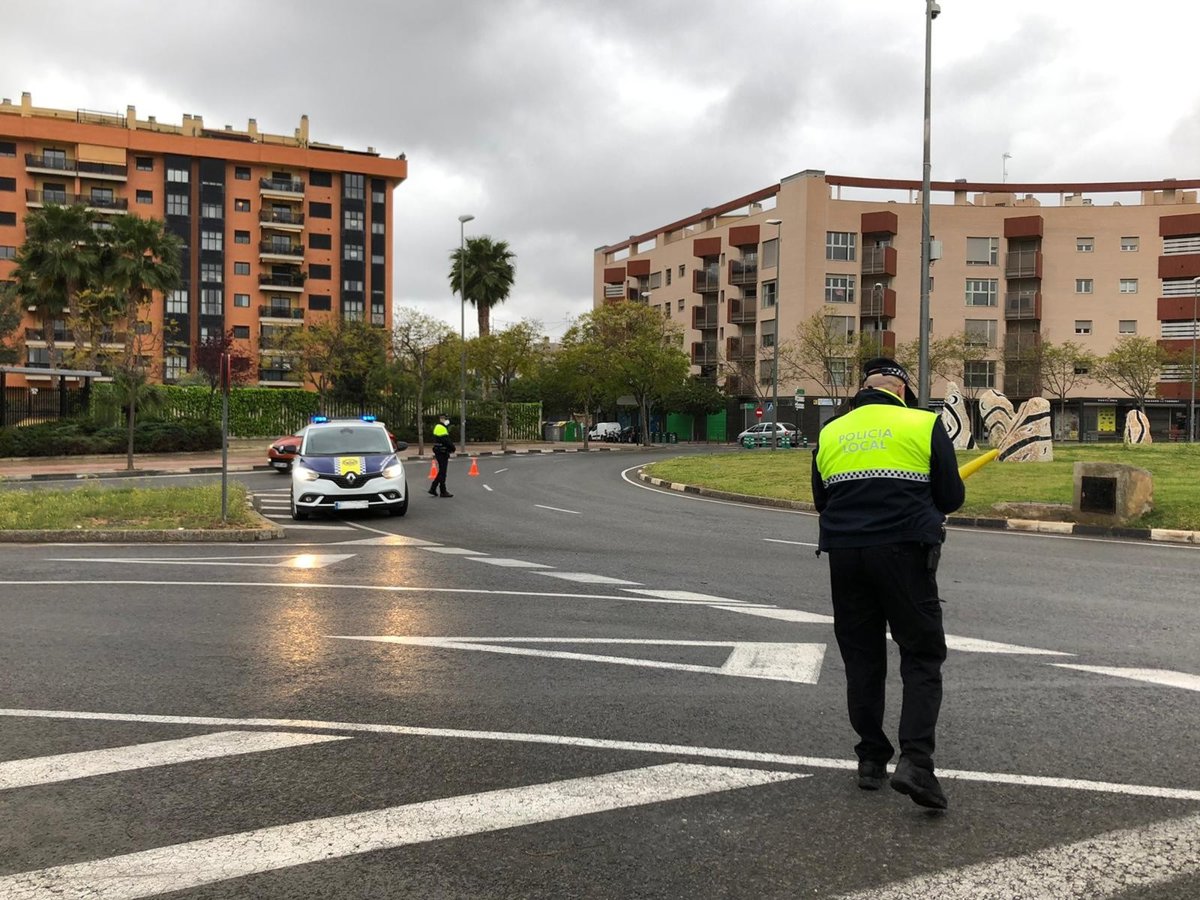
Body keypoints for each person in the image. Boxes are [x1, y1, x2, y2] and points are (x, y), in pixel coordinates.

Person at [811, 358, 965, 810]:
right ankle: (916, 762)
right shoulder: (923, 424)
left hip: (846, 556)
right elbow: (951, 496)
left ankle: (871, 759)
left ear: (864, 390)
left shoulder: (832, 431)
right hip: (905, 553)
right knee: (921, 655)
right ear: (900, 390)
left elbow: (822, 500)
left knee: (862, 658)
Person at [429, 413, 456, 498]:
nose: (448, 420)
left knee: (442, 471)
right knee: (443, 472)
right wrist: (453, 448)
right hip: (442, 452)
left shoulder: (439, 427)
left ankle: (434, 489)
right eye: (446, 419)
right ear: (442, 419)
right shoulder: (441, 428)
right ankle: (441, 491)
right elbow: (446, 440)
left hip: (439, 451)